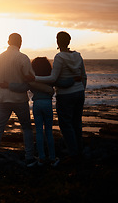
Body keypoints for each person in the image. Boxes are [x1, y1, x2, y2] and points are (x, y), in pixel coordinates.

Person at [0, 57, 75, 167]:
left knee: (39, 131)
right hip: (47, 104)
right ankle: (53, 158)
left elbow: (22, 87)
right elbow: (63, 82)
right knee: (49, 131)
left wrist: (9, 85)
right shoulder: (50, 78)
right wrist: (74, 78)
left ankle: (41, 158)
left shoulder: (32, 80)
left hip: (37, 105)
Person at [34, 31, 87, 163]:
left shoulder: (60, 57)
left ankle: (73, 154)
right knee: (77, 123)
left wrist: (33, 78)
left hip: (65, 95)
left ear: (58, 42)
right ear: (69, 41)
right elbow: (84, 76)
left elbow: (53, 78)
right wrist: (81, 90)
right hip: (79, 92)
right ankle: (79, 151)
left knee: (66, 125)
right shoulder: (78, 55)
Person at [0, 33, 37, 167]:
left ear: (8, 42)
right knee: (26, 128)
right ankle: (29, 157)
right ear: (20, 43)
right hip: (19, 99)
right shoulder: (23, 58)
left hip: (2, 99)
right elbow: (30, 80)